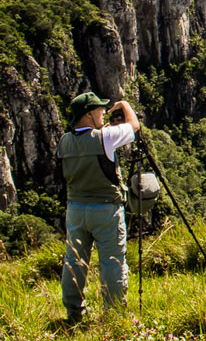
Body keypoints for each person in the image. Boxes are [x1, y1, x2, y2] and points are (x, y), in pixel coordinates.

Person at [58, 91, 140, 323]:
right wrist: (124, 104)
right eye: (99, 110)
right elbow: (134, 126)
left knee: (73, 261)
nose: (104, 112)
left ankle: (74, 312)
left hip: (75, 210)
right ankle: (114, 313)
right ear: (87, 115)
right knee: (112, 262)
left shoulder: (64, 141)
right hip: (105, 210)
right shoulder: (104, 138)